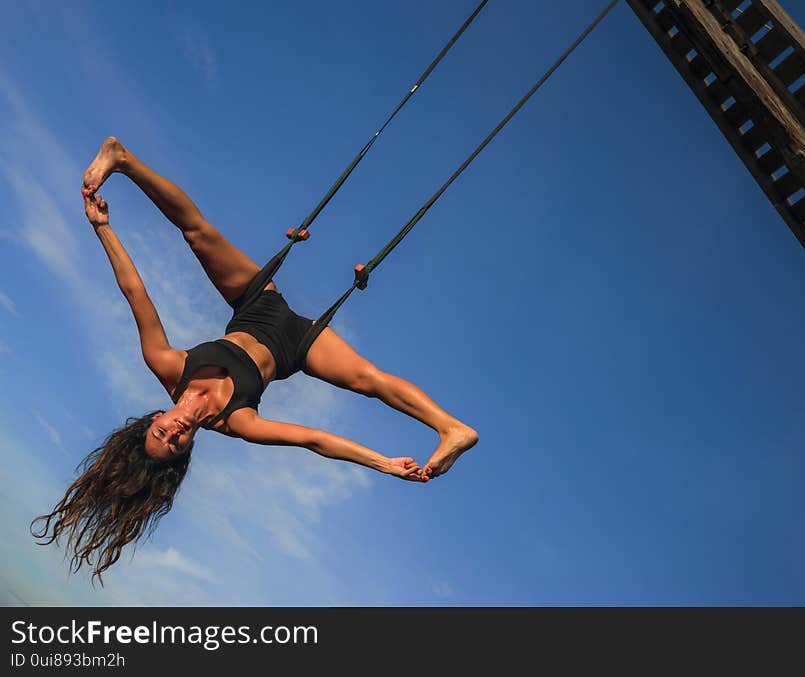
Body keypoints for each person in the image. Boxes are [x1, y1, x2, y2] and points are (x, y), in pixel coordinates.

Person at [32, 137, 478, 581]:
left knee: (198, 233)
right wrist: (382, 462)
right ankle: (453, 429)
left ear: (155, 416)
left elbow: (135, 293)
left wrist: (102, 228)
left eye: (161, 432)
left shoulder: (168, 366)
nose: (174, 433)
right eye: (174, 446)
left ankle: (123, 159)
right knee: (367, 378)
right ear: (185, 452)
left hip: (255, 306)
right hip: (295, 346)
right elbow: (313, 440)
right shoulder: (236, 422)